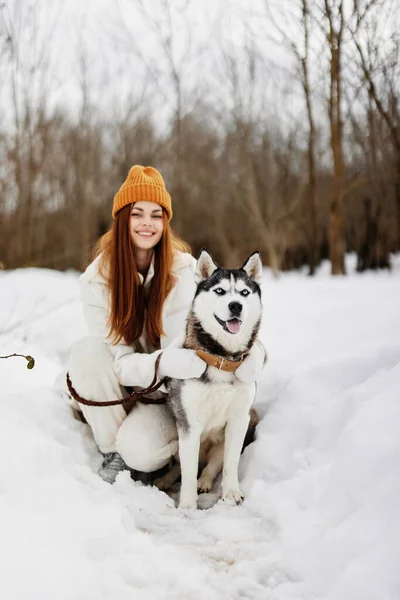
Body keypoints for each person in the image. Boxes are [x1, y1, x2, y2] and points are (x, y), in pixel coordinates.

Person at [58, 165, 207, 483]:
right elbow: (119, 360)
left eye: (156, 215)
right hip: (125, 384)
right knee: (87, 352)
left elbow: (182, 359)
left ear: (165, 222)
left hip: (168, 396)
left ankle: (173, 450)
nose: (147, 224)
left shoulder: (185, 271)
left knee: (141, 450)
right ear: (122, 218)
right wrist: (162, 361)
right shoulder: (96, 280)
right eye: (137, 213)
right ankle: (112, 452)